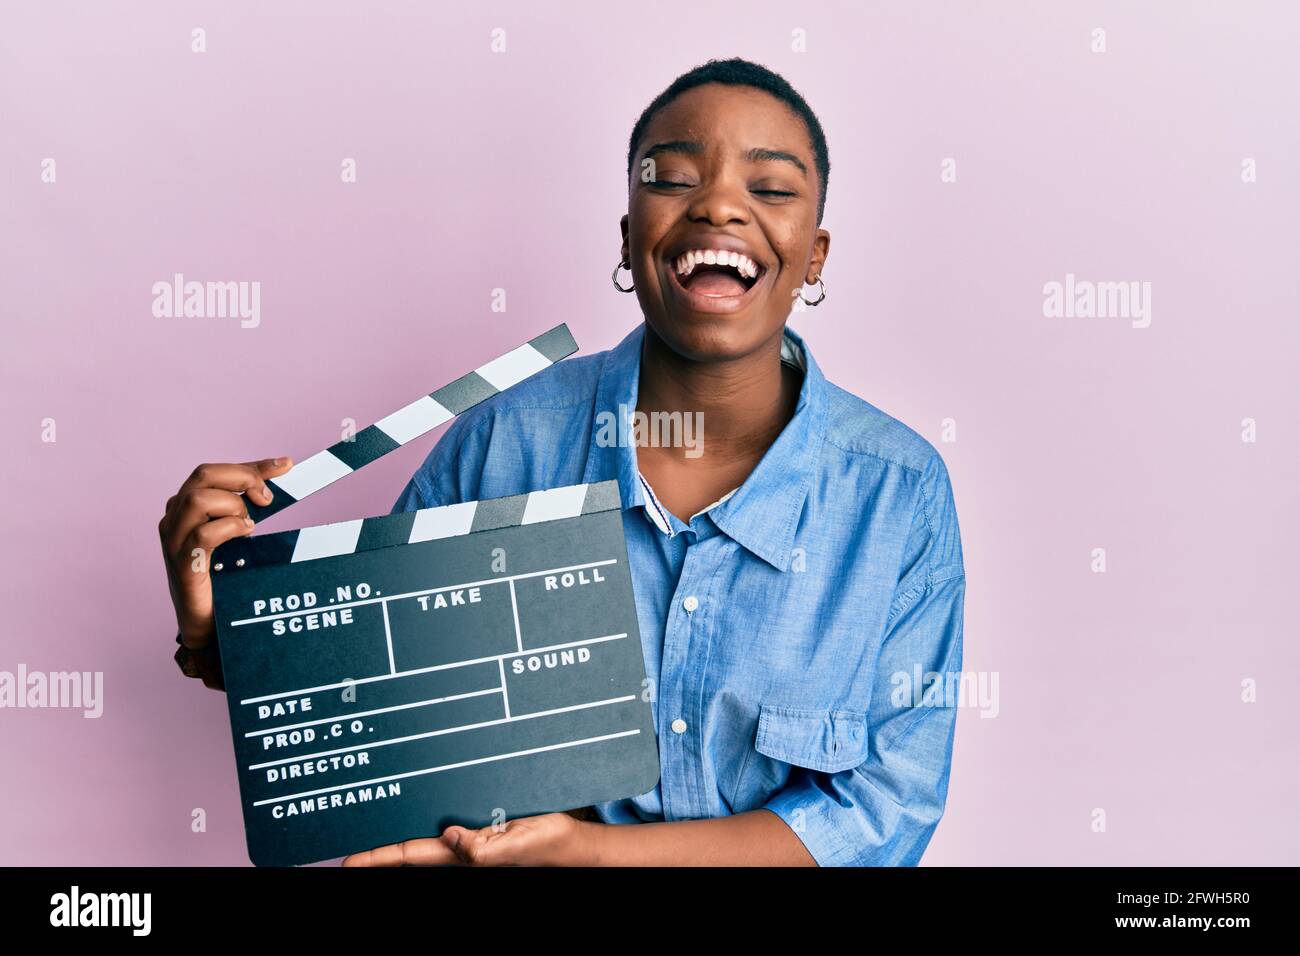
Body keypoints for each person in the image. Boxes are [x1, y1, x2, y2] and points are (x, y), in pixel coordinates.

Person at [159, 57, 965, 866]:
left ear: (814, 256)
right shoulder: (504, 444)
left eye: (773, 189)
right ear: (627, 237)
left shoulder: (897, 493)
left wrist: (593, 856)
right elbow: (382, 709)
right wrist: (219, 631)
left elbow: (884, 810)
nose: (720, 205)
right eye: (674, 177)